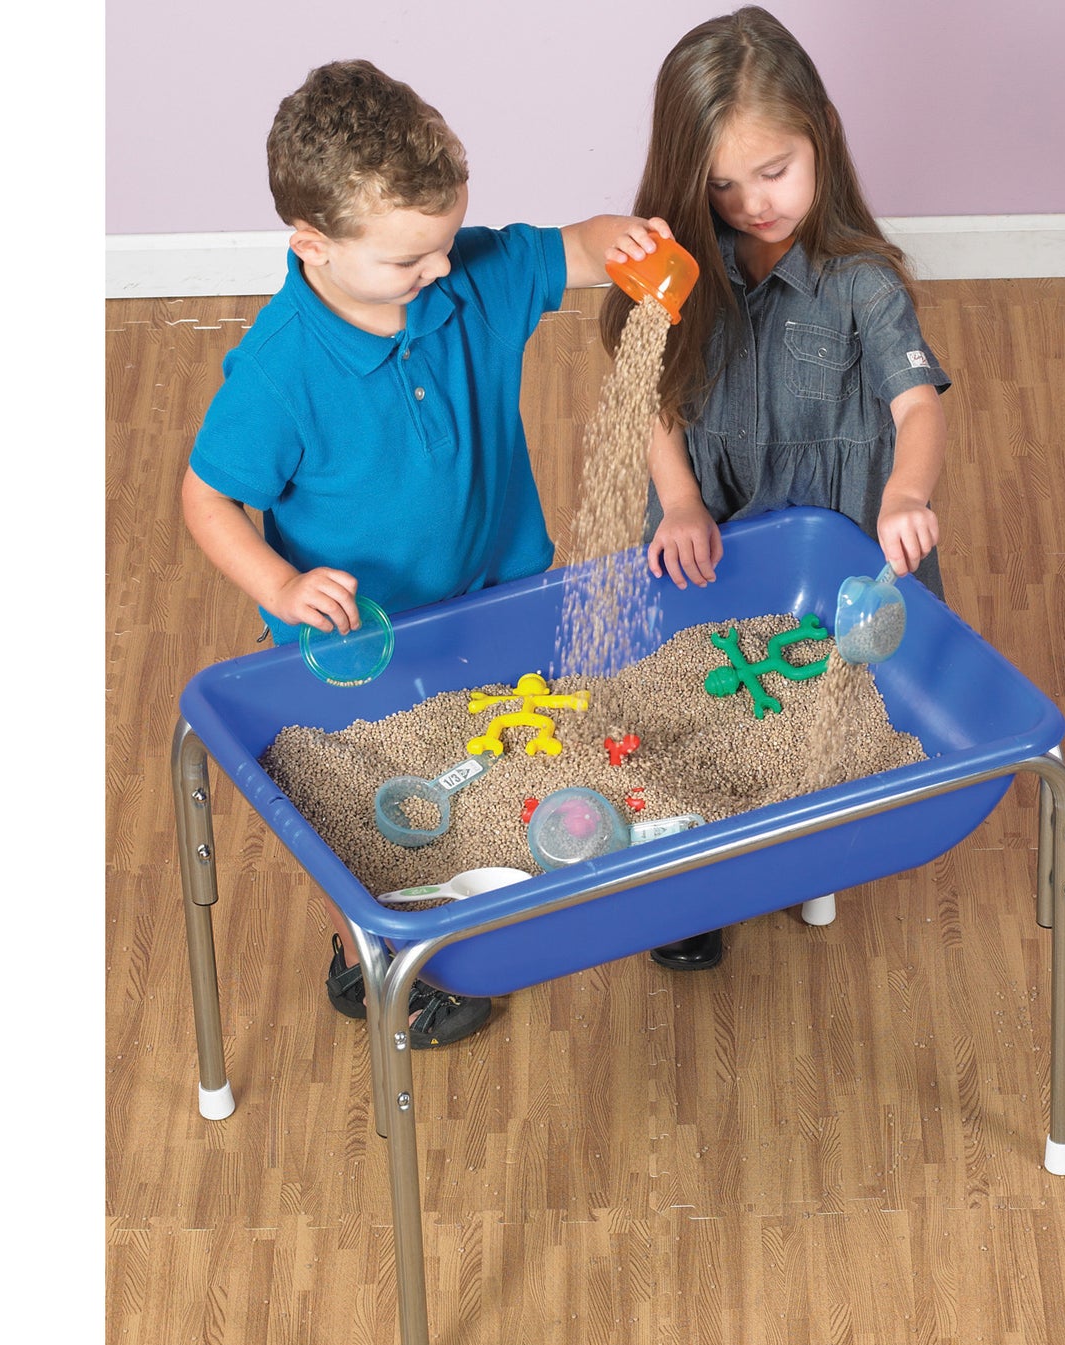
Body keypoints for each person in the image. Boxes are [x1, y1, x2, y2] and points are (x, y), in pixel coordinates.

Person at [182, 58, 673, 1042]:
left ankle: (479, 893)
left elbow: (573, 248)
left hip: (493, 595)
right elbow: (207, 498)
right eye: (410, 260)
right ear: (313, 246)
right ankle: (365, 959)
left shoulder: (470, 278)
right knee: (359, 809)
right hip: (356, 639)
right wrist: (281, 581)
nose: (439, 270)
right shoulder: (279, 374)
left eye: (446, 243)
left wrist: (621, 242)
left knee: (480, 756)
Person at [600, 6, 952, 972]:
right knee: (696, 696)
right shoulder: (681, 267)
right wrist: (678, 500)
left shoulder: (862, 282)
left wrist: (905, 494)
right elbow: (648, 393)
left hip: (834, 533)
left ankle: (806, 844)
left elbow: (917, 407)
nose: (752, 204)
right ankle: (697, 873)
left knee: (817, 698)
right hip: (710, 524)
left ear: (821, 137)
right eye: (721, 184)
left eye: (773, 171)